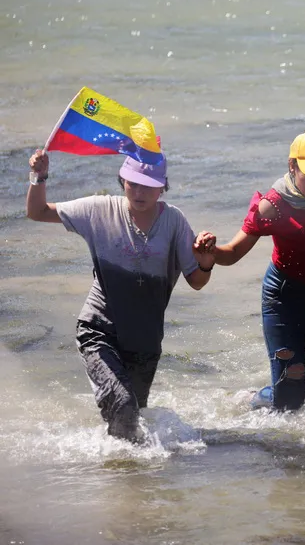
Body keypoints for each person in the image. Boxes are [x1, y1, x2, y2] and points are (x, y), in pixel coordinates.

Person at [25, 150, 214, 442]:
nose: (139, 191)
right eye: (132, 183)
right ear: (121, 180)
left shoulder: (174, 222)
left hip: (145, 340)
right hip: (99, 330)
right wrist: (39, 176)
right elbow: (37, 212)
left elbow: (197, 282)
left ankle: (126, 481)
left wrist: (205, 261)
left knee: (132, 421)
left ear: (163, 186)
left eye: (148, 185)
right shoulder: (98, 211)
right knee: (124, 407)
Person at [197, 131, 305, 417]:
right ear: (292, 166)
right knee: (289, 400)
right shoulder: (273, 206)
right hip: (284, 297)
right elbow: (233, 253)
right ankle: (257, 399)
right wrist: (210, 253)